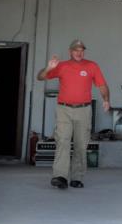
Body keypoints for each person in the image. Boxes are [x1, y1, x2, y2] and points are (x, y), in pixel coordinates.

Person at [37, 39, 110, 190]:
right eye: (76, 50)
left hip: (84, 109)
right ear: (70, 51)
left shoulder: (92, 66)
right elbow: (40, 77)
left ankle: (77, 177)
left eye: (81, 50)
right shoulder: (62, 66)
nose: (79, 52)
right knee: (62, 141)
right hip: (64, 109)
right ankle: (60, 176)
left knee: (80, 144)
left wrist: (106, 100)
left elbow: (102, 85)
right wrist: (48, 67)